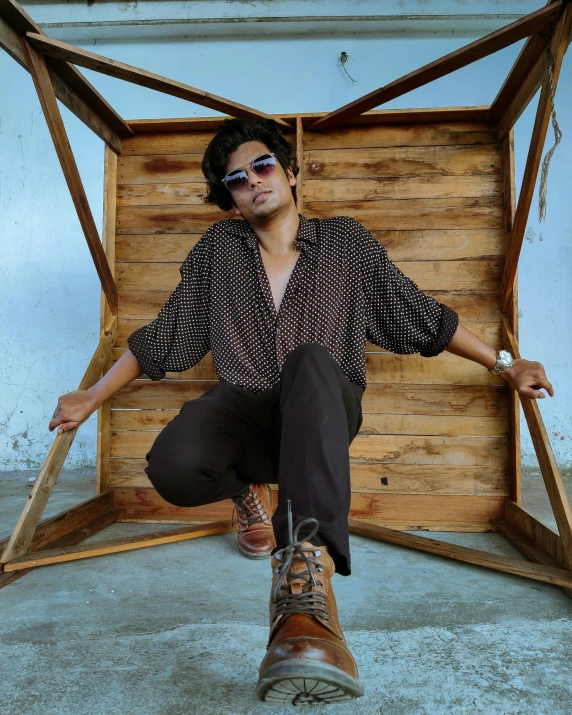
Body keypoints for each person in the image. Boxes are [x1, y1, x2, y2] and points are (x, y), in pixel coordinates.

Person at [49, 117, 554, 706]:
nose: (254, 181)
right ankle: (248, 496)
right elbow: (165, 337)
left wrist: (504, 364)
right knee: (174, 465)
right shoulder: (217, 251)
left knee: (312, 360)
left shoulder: (346, 243)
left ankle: (304, 586)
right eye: (236, 179)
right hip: (247, 408)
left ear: (290, 172)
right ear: (230, 197)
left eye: (263, 166)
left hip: (323, 405)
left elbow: (422, 315)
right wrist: (92, 395)